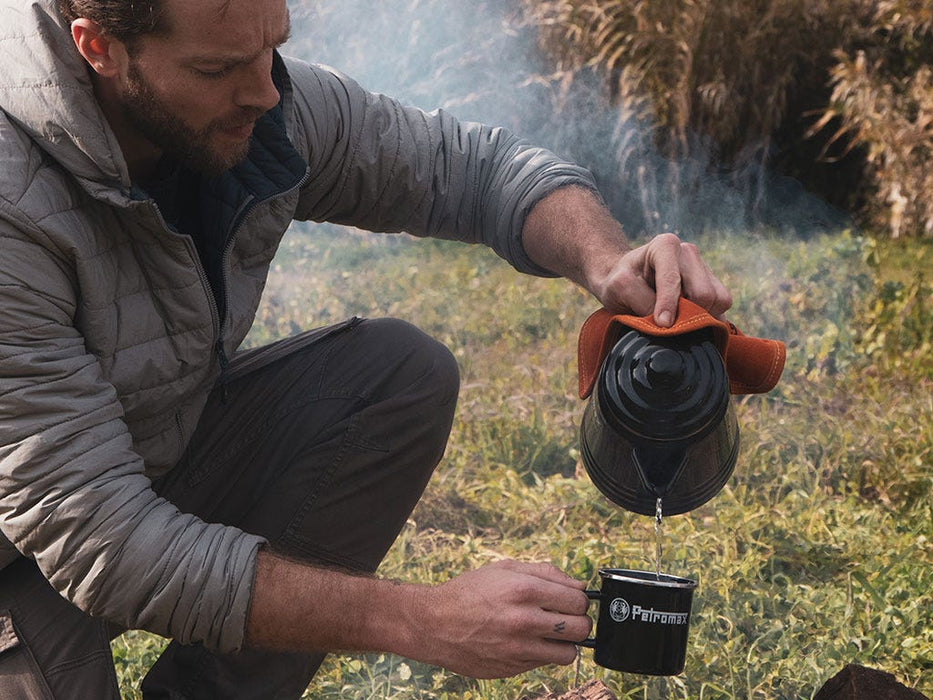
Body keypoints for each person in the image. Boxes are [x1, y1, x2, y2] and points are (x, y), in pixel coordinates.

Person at [0, 0, 732, 697]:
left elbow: (474, 170)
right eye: (218, 69)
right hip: (31, 546)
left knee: (393, 376)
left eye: (273, 45)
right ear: (98, 48)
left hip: (126, 469)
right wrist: (420, 620)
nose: (263, 92)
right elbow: (102, 541)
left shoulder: (258, 103)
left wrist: (605, 262)